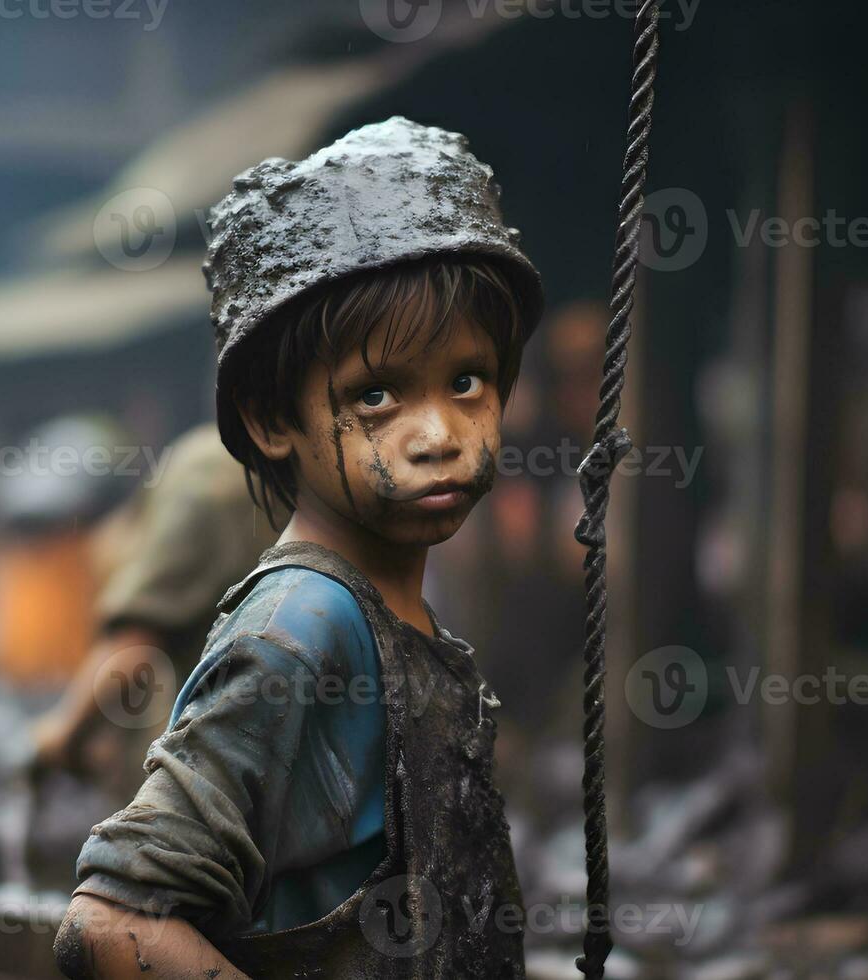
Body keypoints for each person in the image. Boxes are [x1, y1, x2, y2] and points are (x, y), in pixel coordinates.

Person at [54, 116, 543, 979]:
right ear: (272, 420)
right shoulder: (303, 625)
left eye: (466, 380)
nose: (438, 432)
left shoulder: (389, 610)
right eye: (378, 395)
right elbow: (108, 924)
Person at [25, 423, 283, 801]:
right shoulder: (306, 467)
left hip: (210, 779)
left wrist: (61, 735)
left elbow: (133, 647)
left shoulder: (213, 469)